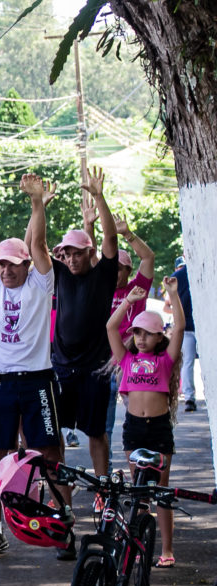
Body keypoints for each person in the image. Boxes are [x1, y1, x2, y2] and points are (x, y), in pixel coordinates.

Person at [0, 172, 69, 560]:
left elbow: (40, 242)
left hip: (38, 383)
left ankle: (63, 523)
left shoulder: (41, 283)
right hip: (2, 384)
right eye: (2, 264)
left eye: (14, 264)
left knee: (49, 456)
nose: (6, 270)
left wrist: (37, 202)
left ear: (28, 265)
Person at [106, 278, 184, 567]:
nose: (141, 338)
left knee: (162, 490)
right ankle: (137, 546)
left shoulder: (166, 360)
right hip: (134, 429)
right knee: (139, 491)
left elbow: (179, 329)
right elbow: (110, 328)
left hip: (159, 428)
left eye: (148, 334)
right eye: (137, 333)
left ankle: (166, 549)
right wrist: (128, 301)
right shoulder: (126, 359)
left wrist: (173, 295)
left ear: (158, 337)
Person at [52, 166, 120, 481]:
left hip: (95, 367)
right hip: (63, 366)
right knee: (53, 431)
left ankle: (103, 485)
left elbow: (110, 237)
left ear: (88, 252)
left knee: (96, 433)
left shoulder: (103, 276)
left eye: (76, 253)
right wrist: (40, 205)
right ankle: (60, 482)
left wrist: (99, 196)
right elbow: (35, 245)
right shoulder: (60, 273)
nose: (71, 259)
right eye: (66, 254)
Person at [103, 222, 155, 457]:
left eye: (120, 268)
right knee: (103, 428)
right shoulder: (99, 289)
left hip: (131, 363)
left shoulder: (137, 289)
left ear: (128, 270)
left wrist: (127, 234)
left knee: (138, 420)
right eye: (111, 267)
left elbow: (148, 258)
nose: (115, 272)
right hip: (104, 364)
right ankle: (107, 479)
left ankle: (144, 469)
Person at [171, 257, 197, 412]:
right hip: (194, 324)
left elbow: (173, 303)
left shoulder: (177, 277)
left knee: (187, 362)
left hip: (186, 324)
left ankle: (189, 397)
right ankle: (189, 396)